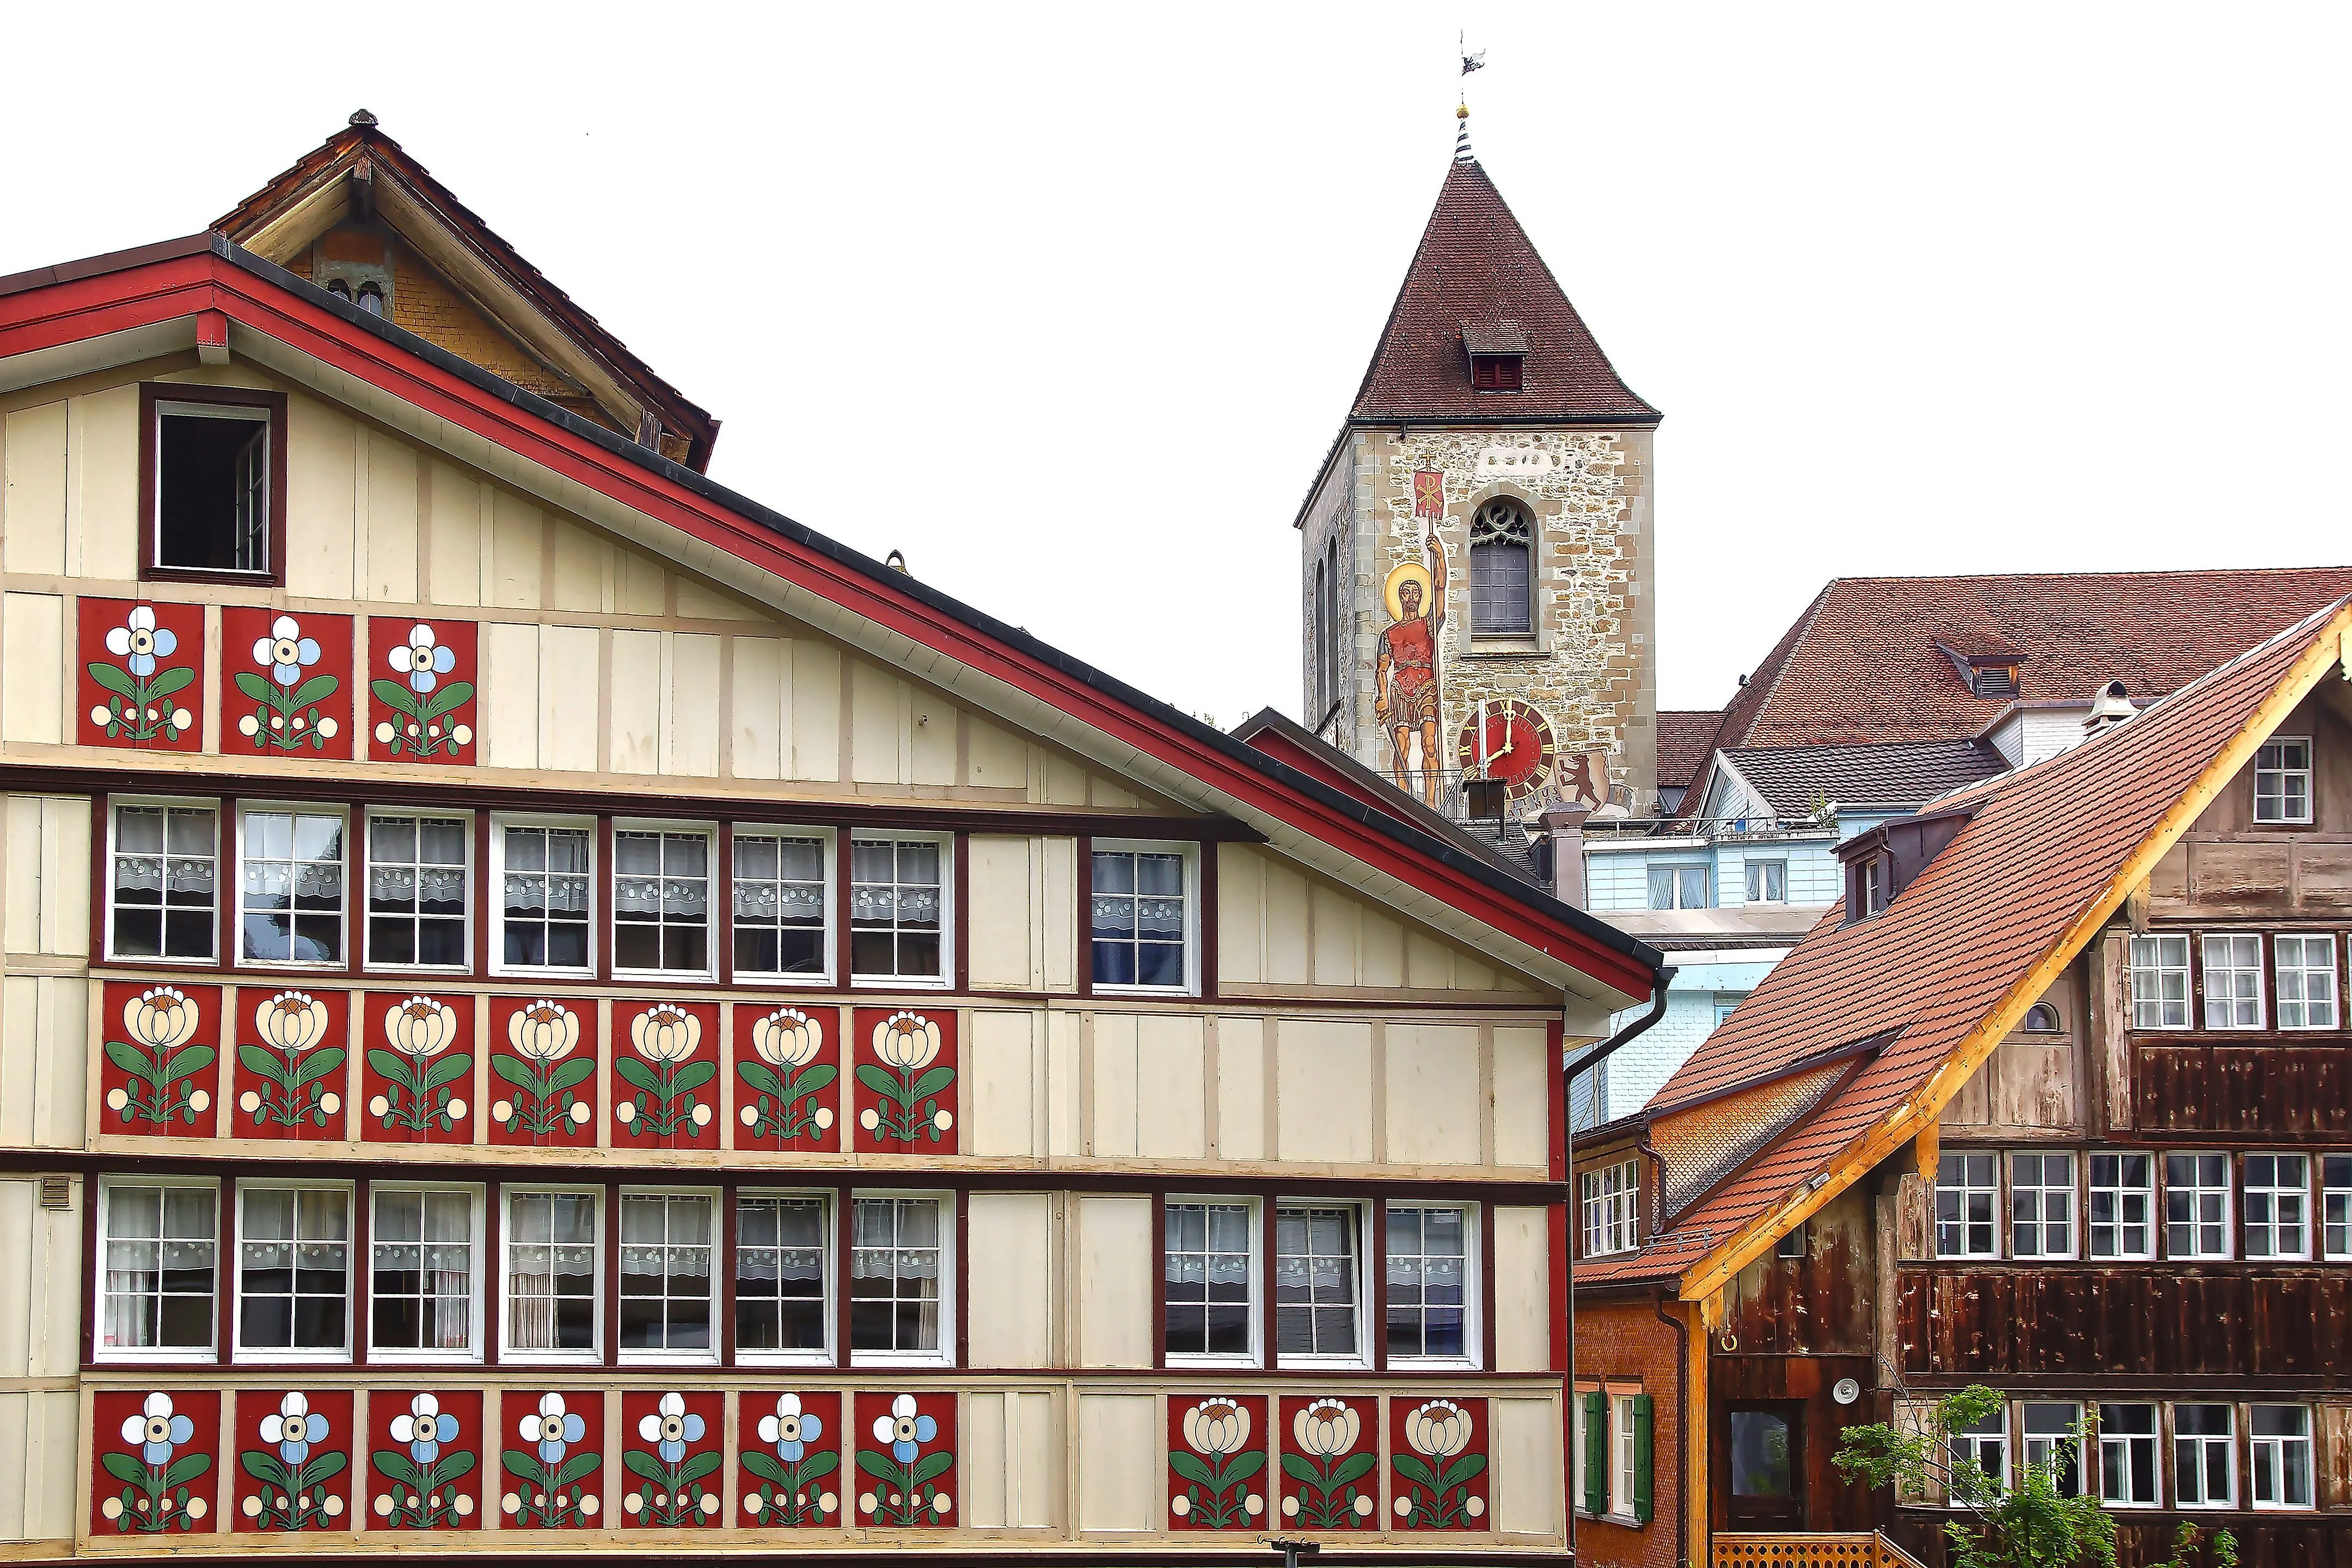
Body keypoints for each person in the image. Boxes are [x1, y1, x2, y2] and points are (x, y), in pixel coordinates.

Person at [1374, 530, 1448, 806]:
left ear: (1420, 597)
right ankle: (1405, 800)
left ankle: (1430, 801)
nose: (1410, 597)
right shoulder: (1389, 634)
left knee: (1430, 742)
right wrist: (1382, 697)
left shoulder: (1429, 624)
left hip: (1426, 683)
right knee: (1402, 747)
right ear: (1400, 598)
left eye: (1415, 592)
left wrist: (1440, 557)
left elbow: (1440, 590)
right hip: (1400, 690)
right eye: (1405, 592)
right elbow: (1383, 669)